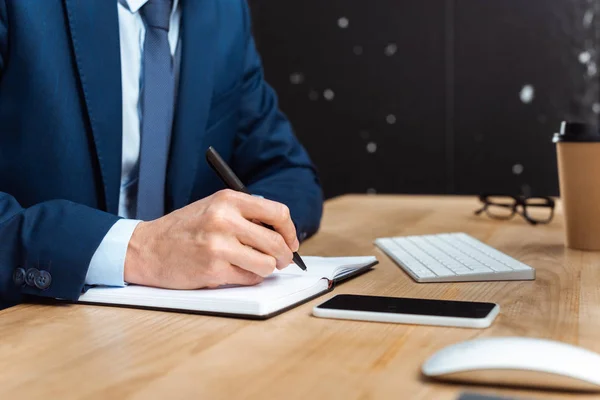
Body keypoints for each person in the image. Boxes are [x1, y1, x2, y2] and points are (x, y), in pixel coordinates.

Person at [0, 0, 323, 309]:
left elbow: (289, 172)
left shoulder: (225, 11)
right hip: (30, 328)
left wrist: (246, 230)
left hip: (176, 331)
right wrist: (140, 250)